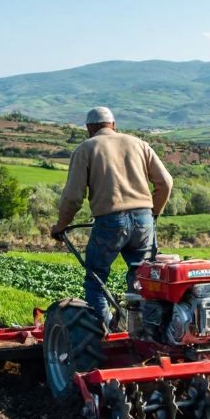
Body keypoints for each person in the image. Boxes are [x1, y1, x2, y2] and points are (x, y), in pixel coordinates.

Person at [51, 106, 173, 326]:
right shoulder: (139, 144)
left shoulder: (85, 149)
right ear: (114, 125)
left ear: (89, 128)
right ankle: (143, 330)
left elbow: (73, 197)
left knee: (95, 281)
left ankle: (107, 329)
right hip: (144, 219)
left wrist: (61, 225)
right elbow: (166, 183)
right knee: (141, 278)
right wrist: (153, 212)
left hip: (110, 221)